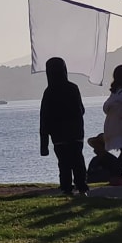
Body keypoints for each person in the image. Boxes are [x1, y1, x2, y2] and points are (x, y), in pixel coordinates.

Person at [40, 57, 89, 196]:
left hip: (58, 135)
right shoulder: (73, 88)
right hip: (75, 133)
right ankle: (82, 187)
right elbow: (81, 110)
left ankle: (66, 188)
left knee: (64, 163)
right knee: (78, 160)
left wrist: (44, 144)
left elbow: (44, 118)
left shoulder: (49, 92)